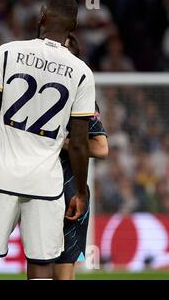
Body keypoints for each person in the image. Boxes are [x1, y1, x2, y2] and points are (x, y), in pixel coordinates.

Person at [0, 0, 95, 280]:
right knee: (40, 265)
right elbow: (81, 144)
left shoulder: (8, 52)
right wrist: (81, 191)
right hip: (45, 183)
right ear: (72, 26)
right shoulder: (82, 72)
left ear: (41, 17)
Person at [53, 34, 108, 280]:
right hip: (33, 185)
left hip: (69, 189)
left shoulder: (82, 95)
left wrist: (63, 142)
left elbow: (101, 148)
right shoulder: (36, 91)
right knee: (39, 267)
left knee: (63, 271)